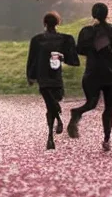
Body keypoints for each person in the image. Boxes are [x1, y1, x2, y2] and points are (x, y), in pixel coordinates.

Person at [67, 3, 112, 152]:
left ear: (93, 14)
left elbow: (80, 50)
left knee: (91, 103)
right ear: (107, 14)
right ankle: (106, 139)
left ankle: (77, 112)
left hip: (91, 74)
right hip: (108, 74)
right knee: (109, 109)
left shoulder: (86, 31)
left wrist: (93, 48)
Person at [26, 11, 80, 150]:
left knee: (50, 105)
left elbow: (31, 60)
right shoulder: (65, 39)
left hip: (42, 77)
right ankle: (52, 133)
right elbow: (73, 60)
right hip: (56, 76)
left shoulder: (36, 40)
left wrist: (30, 76)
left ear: (44, 23)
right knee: (53, 103)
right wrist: (62, 57)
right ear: (58, 22)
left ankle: (52, 132)